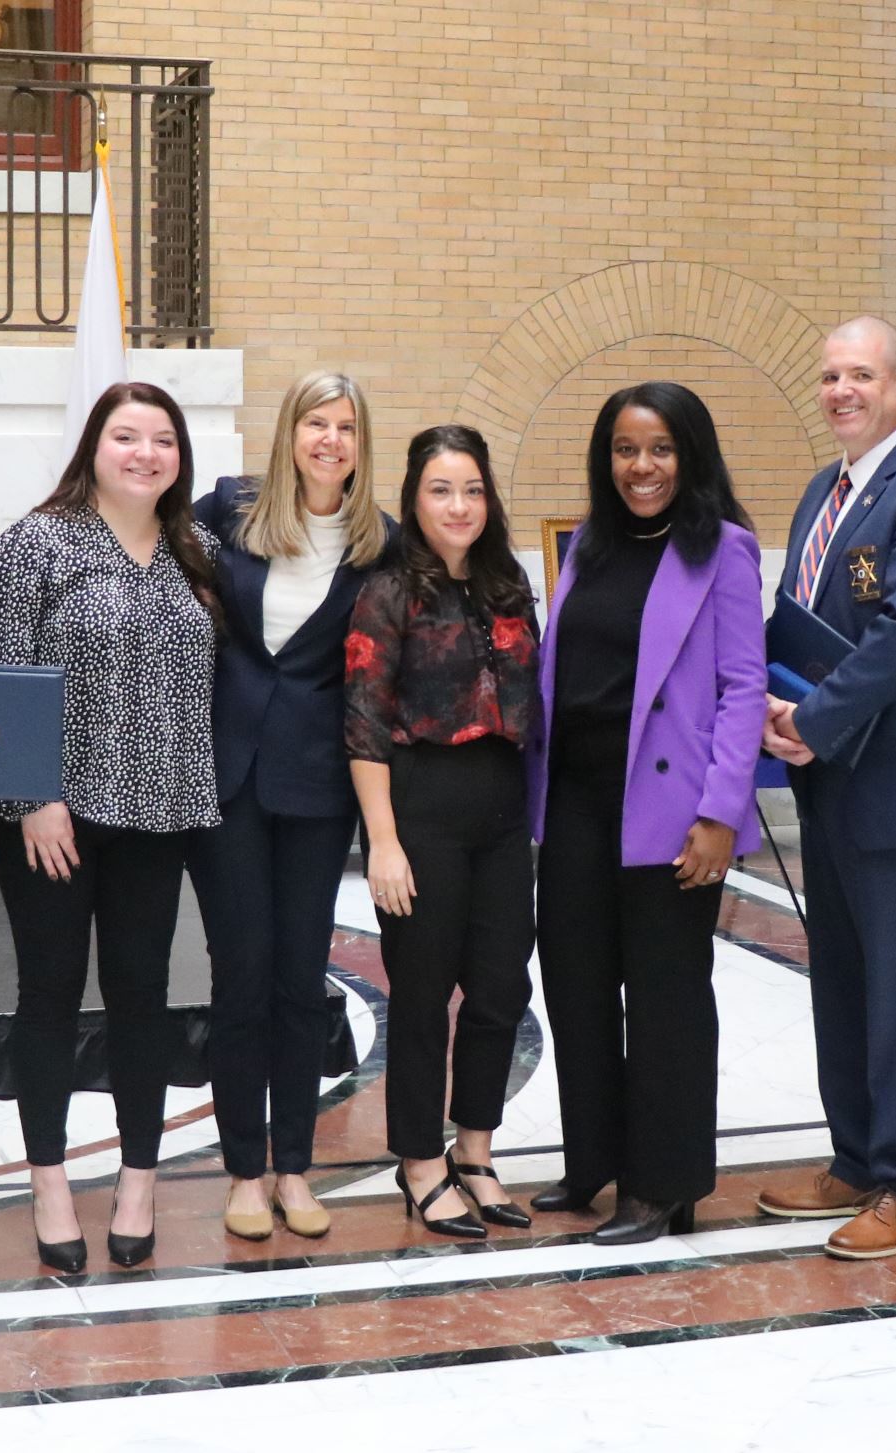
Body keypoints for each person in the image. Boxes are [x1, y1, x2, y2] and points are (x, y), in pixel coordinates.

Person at [756, 316, 896, 1260]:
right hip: (833, 782)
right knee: (841, 977)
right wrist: (771, 699)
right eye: (828, 377)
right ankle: (853, 1157)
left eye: (860, 375)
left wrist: (810, 722)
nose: (841, 390)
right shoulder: (825, 488)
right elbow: (797, 612)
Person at [0, 381, 221, 1272]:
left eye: (163, 439)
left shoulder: (197, 549)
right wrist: (31, 796)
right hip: (54, 819)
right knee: (48, 996)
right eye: (127, 436)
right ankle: (48, 1182)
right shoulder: (36, 543)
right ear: (94, 445)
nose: (145, 453)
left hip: (157, 817)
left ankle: (137, 1181)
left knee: (141, 1000)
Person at [526, 381, 766, 1246]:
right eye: (625, 449)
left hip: (669, 807)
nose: (641, 466)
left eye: (660, 448)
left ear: (690, 454)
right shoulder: (587, 545)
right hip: (574, 804)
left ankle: (662, 1184)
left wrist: (720, 814)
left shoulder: (724, 551)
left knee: (664, 999)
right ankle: (593, 1159)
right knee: (578, 989)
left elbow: (744, 688)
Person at [189, 370, 393, 1241]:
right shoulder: (227, 508)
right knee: (241, 978)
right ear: (289, 431)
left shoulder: (378, 541)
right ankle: (243, 1170)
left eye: (346, 427)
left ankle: (296, 1168)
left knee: (300, 983)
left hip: (317, 785)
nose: (330, 440)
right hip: (225, 777)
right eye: (317, 422)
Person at [345, 425, 539, 1240]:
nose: (458, 505)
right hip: (419, 806)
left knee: (500, 989)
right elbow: (361, 725)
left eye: (470, 489)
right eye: (439, 490)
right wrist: (382, 842)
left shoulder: (508, 581)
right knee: (422, 997)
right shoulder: (388, 591)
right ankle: (419, 1161)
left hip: (502, 810)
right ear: (413, 499)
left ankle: (476, 1150)